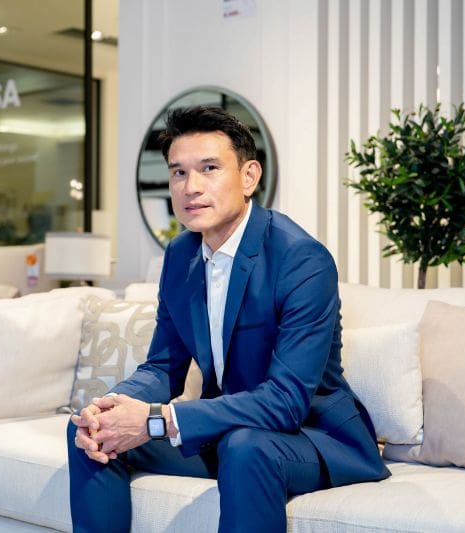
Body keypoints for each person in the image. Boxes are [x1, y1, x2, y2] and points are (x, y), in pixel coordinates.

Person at [67, 105, 390, 532]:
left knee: (246, 447)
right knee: (91, 434)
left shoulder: (301, 259)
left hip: (311, 435)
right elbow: (163, 367)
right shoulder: (180, 255)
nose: (191, 187)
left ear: (249, 177)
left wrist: (158, 419)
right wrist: (108, 409)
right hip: (228, 428)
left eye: (209, 168)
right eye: (178, 172)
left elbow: (286, 400)